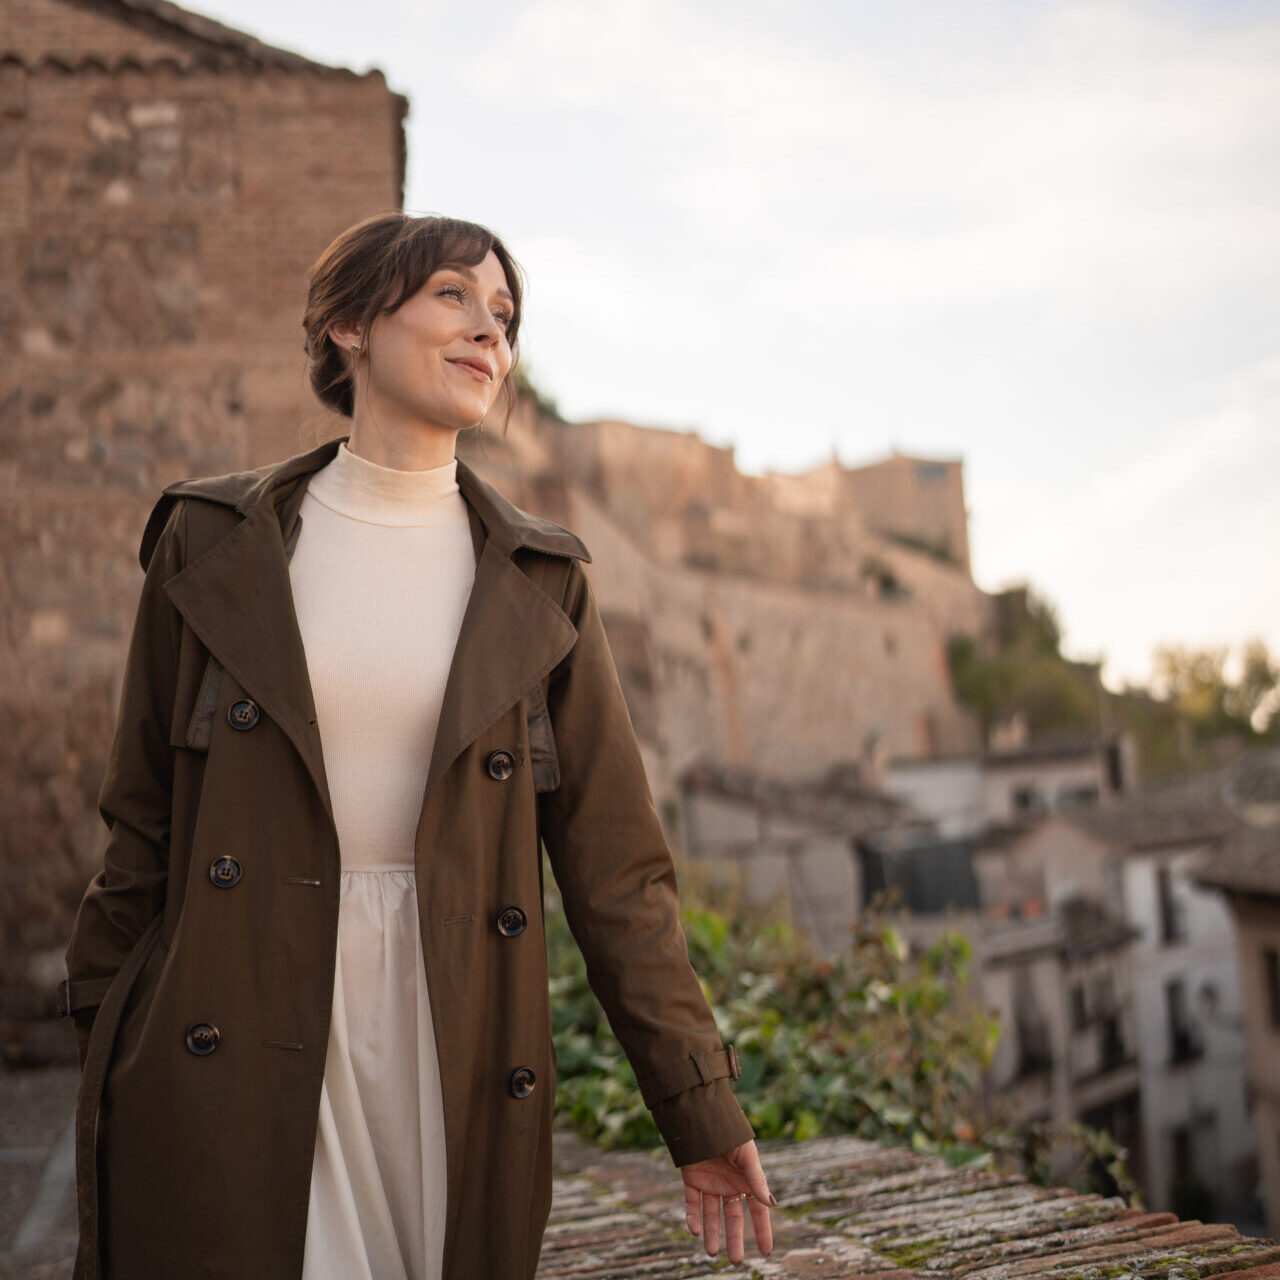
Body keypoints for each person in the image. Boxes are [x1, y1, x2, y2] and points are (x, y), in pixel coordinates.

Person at [62, 211, 775, 1280]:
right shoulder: (210, 542)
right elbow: (141, 825)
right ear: (349, 323)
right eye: (452, 294)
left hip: (455, 1031)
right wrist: (109, 1046)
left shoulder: (542, 579)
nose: (488, 328)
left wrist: (698, 1104)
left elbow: (619, 875)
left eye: (504, 313)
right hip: (231, 1017)